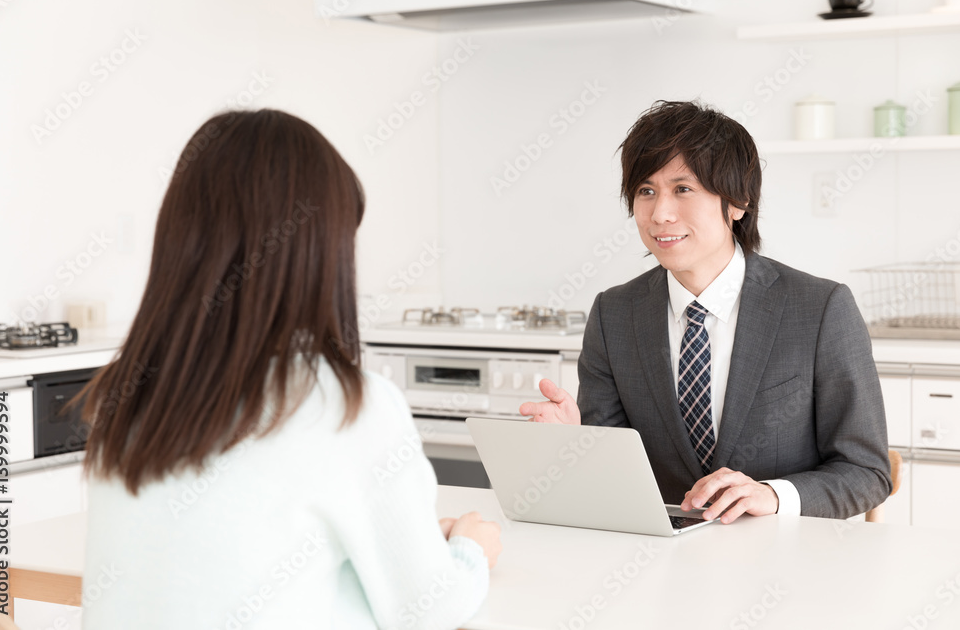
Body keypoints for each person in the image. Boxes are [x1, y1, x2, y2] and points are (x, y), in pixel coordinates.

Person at [78, 109, 501, 629]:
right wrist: (469, 549)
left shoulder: (125, 396)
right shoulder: (348, 404)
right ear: (318, 254)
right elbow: (429, 610)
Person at [521, 100, 891, 522]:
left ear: (738, 203)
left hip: (785, 564)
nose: (660, 213)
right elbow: (615, 476)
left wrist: (772, 496)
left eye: (683, 189)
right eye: (646, 191)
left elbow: (867, 472)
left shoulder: (821, 308)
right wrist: (576, 445)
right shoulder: (614, 314)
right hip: (660, 563)